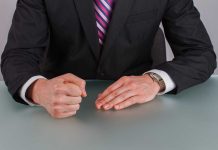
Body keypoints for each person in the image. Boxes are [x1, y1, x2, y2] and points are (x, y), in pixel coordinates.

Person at [1, 0, 216, 118]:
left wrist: (155, 81)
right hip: (61, 110)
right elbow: (17, 55)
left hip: (139, 113)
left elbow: (201, 53)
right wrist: (38, 90)